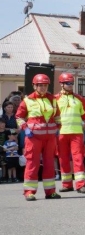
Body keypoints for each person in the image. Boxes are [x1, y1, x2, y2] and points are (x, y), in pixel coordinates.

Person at [15, 73, 60, 201]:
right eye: (40, 85)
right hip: (33, 136)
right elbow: (19, 117)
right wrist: (25, 128)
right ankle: (29, 192)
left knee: (49, 164)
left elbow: (57, 116)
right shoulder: (27, 100)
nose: (43, 87)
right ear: (34, 86)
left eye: (45, 85)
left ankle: (50, 191)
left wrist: (58, 127)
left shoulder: (52, 99)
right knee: (32, 164)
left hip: (50, 137)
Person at [55, 72, 85, 194]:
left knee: (78, 158)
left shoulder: (79, 99)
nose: (70, 85)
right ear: (61, 84)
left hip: (76, 133)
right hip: (61, 133)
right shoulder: (55, 99)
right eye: (68, 83)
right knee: (63, 159)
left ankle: (81, 185)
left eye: (71, 83)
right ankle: (66, 184)